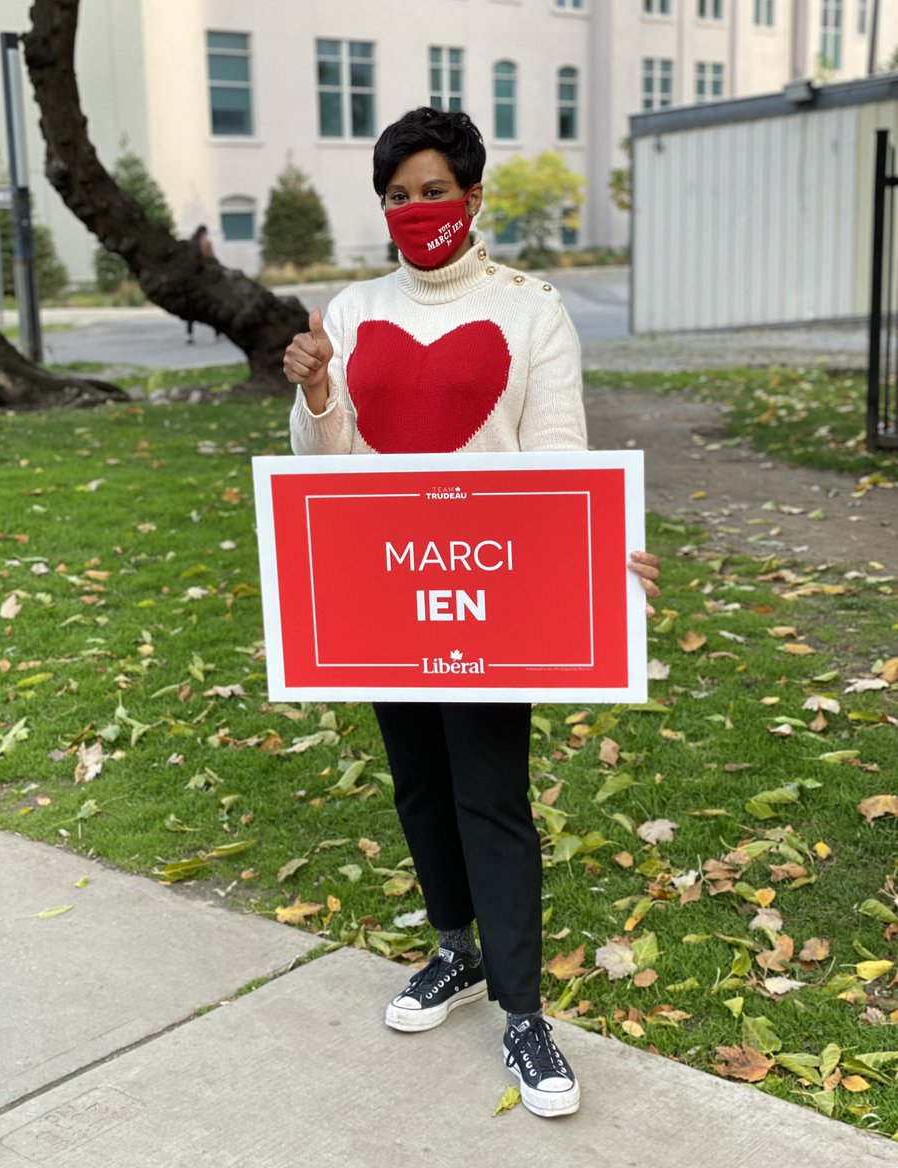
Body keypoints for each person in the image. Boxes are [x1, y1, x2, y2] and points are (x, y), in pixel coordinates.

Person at [283, 107, 661, 1119]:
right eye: (397, 198)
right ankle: (456, 948)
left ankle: (525, 1009)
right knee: (417, 783)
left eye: (433, 192)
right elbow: (328, 472)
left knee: (490, 794)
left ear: (473, 195)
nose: (416, 211)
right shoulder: (353, 313)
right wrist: (320, 394)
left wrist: (599, 558)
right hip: (386, 587)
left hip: (488, 591)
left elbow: (557, 461)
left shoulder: (531, 308)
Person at [185, 225, 220, 344]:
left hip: (192, 281)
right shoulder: (206, 244)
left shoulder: (190, 243)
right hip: (205, 280)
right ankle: (217, 334)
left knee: (191, 311)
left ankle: (189, 335)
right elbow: (212, 259)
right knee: (213, 308)